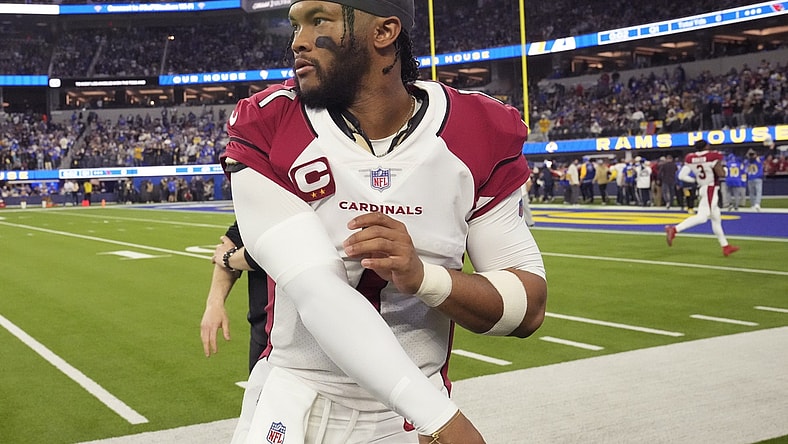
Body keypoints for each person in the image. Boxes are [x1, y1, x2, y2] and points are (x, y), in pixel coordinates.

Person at [221, 1, 548, 443]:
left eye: (318, 21)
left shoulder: (479, 129)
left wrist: (424, 278)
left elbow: (527, 308)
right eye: (295, 24)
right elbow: (319, 293)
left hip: (409, 420)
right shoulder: (270, 122)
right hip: (299, 401)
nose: (296, 41)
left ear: (384, 32)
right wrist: (442, 418)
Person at [200, 221, 269, 373]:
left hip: (312, 331)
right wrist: (214, 302)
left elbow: (271, 251)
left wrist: (228, 259)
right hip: (265, 330)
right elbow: (233, 240)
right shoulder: (261, 202)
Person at [665, 140, 739, 257]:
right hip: (710, 189)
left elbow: (681, 176)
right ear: (706, 146)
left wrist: (695, 181)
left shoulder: (690, 158)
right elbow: (721, 174)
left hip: (703, 187)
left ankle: (725, 246)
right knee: (702, 217)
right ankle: (674, 229)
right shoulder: (712, 156)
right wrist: (725, 169)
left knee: (716, 219)